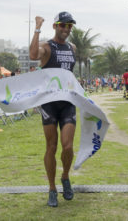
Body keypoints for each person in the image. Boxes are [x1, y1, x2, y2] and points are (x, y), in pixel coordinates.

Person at [29, 12, 76, 207]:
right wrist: (37, 28)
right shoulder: (47, 47)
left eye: (69, 26)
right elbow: (33, 56)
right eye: (63, 25)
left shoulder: (73, 47)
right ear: (55, 26)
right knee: (51, 147)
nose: (66, 29)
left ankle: (65, 176)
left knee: (67, 146)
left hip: (67, 102)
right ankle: (51, 189)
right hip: (49, 103)